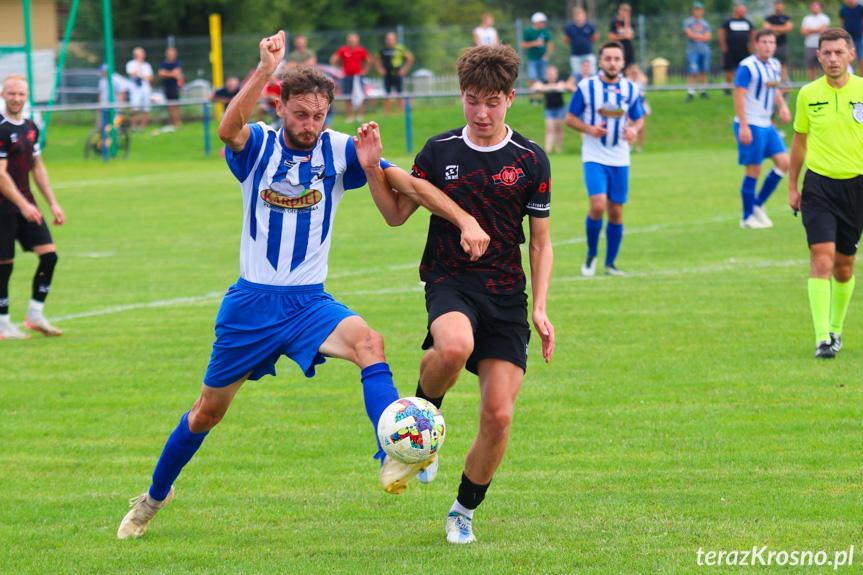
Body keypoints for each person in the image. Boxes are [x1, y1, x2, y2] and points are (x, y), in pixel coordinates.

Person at [116, 31, 489, 540]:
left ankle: (394, 453)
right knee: (207, 413)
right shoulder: (259, 144)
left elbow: (409, 185)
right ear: (282, 107)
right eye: (300, 115)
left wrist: (463, 219)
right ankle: (155, 497)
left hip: (309, 303)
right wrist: (266, 66)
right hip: (251, 304)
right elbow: (229, 128)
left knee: (370, 343)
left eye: (318, 116)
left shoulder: (338, 150)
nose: (310, 125)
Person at [355, 43, 554, 545]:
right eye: (471, 100)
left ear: (510, 98)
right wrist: (373, 169)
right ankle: (422, 429)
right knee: (453, 346)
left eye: (491, 101)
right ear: (461, 96)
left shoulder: (531, 159)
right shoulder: (439, 151)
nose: (481, 112)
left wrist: (541, 307)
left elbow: (542, 242)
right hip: (450, 279)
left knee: (499, 416)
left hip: (507, 294)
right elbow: (396, 213)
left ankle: (463, 511)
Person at [788, 28, 863, 358]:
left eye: (839, 52)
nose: (833, 59)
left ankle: (835, 330)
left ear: (851, 55)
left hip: (856, 187)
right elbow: (799, 141)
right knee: (821, 257)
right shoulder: (807, 93)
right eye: (827, 53)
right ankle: (821, 339)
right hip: (818, 186)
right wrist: (793, 184)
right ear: (818, 57)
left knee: (844, 267)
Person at [566, 41, 645, 277]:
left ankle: (610, 264)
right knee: (598, 205)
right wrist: (589, 129)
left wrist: (634, 130)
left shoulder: (631, 89)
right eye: (608, 58)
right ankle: (591, 254)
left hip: (620, 156)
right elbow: (570, 119)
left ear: (623, 63)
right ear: (600, 62)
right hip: (594, 155)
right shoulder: (586, 86)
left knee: (616, 212)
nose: (612, 63)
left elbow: (639, 119)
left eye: (617, 59)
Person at [0, 75, 64, 340]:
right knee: (4, 265)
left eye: (21, 94)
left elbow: (37, 166)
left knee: (49, 256)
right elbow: (1, 175)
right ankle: (3, 323)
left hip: (26, 204)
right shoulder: (1, 128)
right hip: (4, 206)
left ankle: (35, 315)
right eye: (11, 93)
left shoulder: (30, 126)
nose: (16, 98)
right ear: (3, 94)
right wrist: (24, 204)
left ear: (27, 97)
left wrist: (52, 202)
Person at [733, 29, 791, 229]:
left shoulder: (774, 64)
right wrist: (743, 125)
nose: (768, 45)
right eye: (764, 41)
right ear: (756, 44)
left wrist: (782, 106)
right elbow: (738, 95)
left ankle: (757, 204)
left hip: (767, 123)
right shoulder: (747, 66)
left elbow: (773, 89)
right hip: (751, 122)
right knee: (754, 170)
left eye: (771, 42)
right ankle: (747, 217)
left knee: (784, 162)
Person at [330, 33, 371, 123]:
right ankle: (349, 116)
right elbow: (333, 59)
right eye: (351, 41)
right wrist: (339, 70)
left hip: (357, 77)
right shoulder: (344, 50)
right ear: (348, 41)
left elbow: (368, 60)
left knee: (360, 95)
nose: (352, 42)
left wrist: (365, 70)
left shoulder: (360, 50)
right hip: (347, 76)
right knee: (347, 96)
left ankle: (360, 116)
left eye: (354, 41)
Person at [374, 32, 414, 116]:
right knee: (387, 94)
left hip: (397, 74)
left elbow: (410, 58)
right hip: (387, 74)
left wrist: (404, 69)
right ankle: (387, 113)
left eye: (392, 39)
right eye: (388, 39)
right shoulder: (383, 50)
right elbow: (376, 59)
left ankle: (400, 113)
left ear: (395, 40)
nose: (390, 41)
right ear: (386, 40)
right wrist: (380, 69)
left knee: (399, 94)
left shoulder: (400, 49)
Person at [532, 65, 568, 154]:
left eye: (553, 73)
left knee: (559, 129)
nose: (551, 75)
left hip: (560, 108)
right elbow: (535, 87)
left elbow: (561, 87)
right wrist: (551, 87)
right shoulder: (544, 81)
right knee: (550, 129)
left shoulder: (560, 81)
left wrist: (547, 87)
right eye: (550, 73)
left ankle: (558, 149)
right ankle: (548, 150)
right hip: (549, 109)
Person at [719, 3, 754, 94]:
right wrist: (724, 47)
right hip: (730, 50)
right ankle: (728, 88)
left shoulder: (747, 21)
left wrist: (751, 46)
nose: (744, 12)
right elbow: (721, 32)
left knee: (743, 68)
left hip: (743, 50)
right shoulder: (728, 21)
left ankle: (741, 86)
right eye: (742, 10)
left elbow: (753, 33)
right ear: (736, 10)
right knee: (728, 69)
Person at [522, 12, 553, 104]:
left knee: (542, 78)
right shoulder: (529, 31)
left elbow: (549, 43)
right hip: (532, 58)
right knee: (532, 78)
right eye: (542, 21)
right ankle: (532, 98)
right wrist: (535, 43)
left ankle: (540, 99)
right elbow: (523, 44)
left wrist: (547, 55)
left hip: (542, 59)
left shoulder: (544, 31)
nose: (544, 23)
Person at [684, 1, 712, 101]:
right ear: (693, 10)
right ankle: (691, 92)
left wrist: (696, 36)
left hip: (704, 50)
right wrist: (701, 36)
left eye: (699, 9)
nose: (697, 11)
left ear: (702, 11)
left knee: (703, 71)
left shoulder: (706, 23)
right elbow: (689, 35)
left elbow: (708, 37)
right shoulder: (688, 22)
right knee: (692, 71)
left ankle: (702, 91)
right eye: (696, 9)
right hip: (693, 50)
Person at [764, 1, 794, 85]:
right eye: (777, 5)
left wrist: (773, 28)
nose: (778, 7)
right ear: (774, 6)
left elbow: (788, 28)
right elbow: (766, 28)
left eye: (780, 5)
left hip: (783, 44)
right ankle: (770, 80)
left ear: (783, 6)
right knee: (768, 61)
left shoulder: (786, 17)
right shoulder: (769, 18)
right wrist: (782, 28)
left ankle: (783, 82)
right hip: (770, 44)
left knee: (784, 63)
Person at [564, 7, 599, 77]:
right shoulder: (570, 27)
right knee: (576, 74)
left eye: (579, 15)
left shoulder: (589, 26)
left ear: (584, 15)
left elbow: (595, 37)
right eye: (576, 15)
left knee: (592, 73)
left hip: (588, 53)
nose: (578, 17)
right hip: (575, 55)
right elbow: (566, 39)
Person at [126, 47, 154, 131]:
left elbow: (150, 77)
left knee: (145, 109)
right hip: (135, 90)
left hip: (145, 90)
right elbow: (132, 74)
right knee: (134, 109)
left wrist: (141, 75)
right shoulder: (131, 64)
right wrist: (139, 65)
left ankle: (142, 127)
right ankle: (133, 126)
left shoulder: (147, 65)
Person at [801, 1, 830, 81]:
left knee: (823, 67)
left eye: (816, 6)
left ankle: (824, 83)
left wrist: (809, 30)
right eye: (813, 6)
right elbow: (803, 32)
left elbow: (822, 30)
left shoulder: (825, 18)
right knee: (811, 67)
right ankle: (812, 83)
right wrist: (817, 30)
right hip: (809, 46)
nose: (815, 8)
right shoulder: (807, 19)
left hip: (821, 46)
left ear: (820, 8)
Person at [625, 64, 650, 152]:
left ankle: (640, 146)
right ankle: (630, 145)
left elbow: (644, 81)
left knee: (642, 126)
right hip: (632, 103)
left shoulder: (641, 78)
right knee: (631, 124)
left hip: (642, 102)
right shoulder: (628, 80)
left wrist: (638, 73)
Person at [158, 47, 183, 131]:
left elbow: (176, 73)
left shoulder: (177, 63)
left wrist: (166, 73)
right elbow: (161, 73)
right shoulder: (163, 63)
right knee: (170, 106)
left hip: (174, 87)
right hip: (167, 87)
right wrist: (172, 74)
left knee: (174, 106)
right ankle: (173, 122)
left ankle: (177, 122)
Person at [609, 3, 636, 71]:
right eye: (623, 11)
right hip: (618, 48)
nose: (624, 13)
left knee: (630, 68)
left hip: (628, 49)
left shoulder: (631, 23)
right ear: (619, 11)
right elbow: (612, 36)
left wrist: (626, 21)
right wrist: (624, 36)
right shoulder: (614, 22)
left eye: (626, 11)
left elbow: (630, 36)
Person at [840, 0, 863, 73]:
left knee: (861, 59)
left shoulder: (860, 8)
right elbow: (842, 22)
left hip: (859, 37)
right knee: (848, 58)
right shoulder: (843, 9)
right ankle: (850, 76)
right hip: (847, 38)